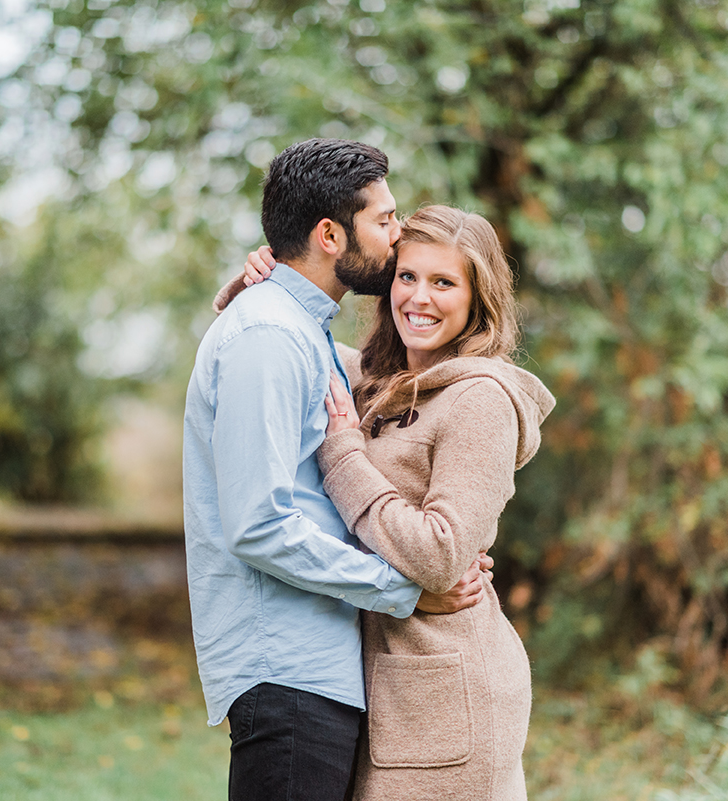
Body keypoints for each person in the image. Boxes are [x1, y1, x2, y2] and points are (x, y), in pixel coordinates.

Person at [183, 139, 492, 801]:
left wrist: (244, 289)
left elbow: (375, 376)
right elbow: (259, 526)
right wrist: (404, 590)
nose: (398, 232)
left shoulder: (298, 332)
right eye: (383, 219)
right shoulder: (269, 336)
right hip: (286, 667)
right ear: (329, 234)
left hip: (317, 665)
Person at [236, 204, 555, 799]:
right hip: (387, 689)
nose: (420, 298)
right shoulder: (373, 383)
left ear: (477, 297)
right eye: (408, 277)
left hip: (447, 689)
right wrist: (266, 282)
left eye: (444, 282)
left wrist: (343, 456)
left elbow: (441, 555)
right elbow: (293, 350)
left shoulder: (479, 402)